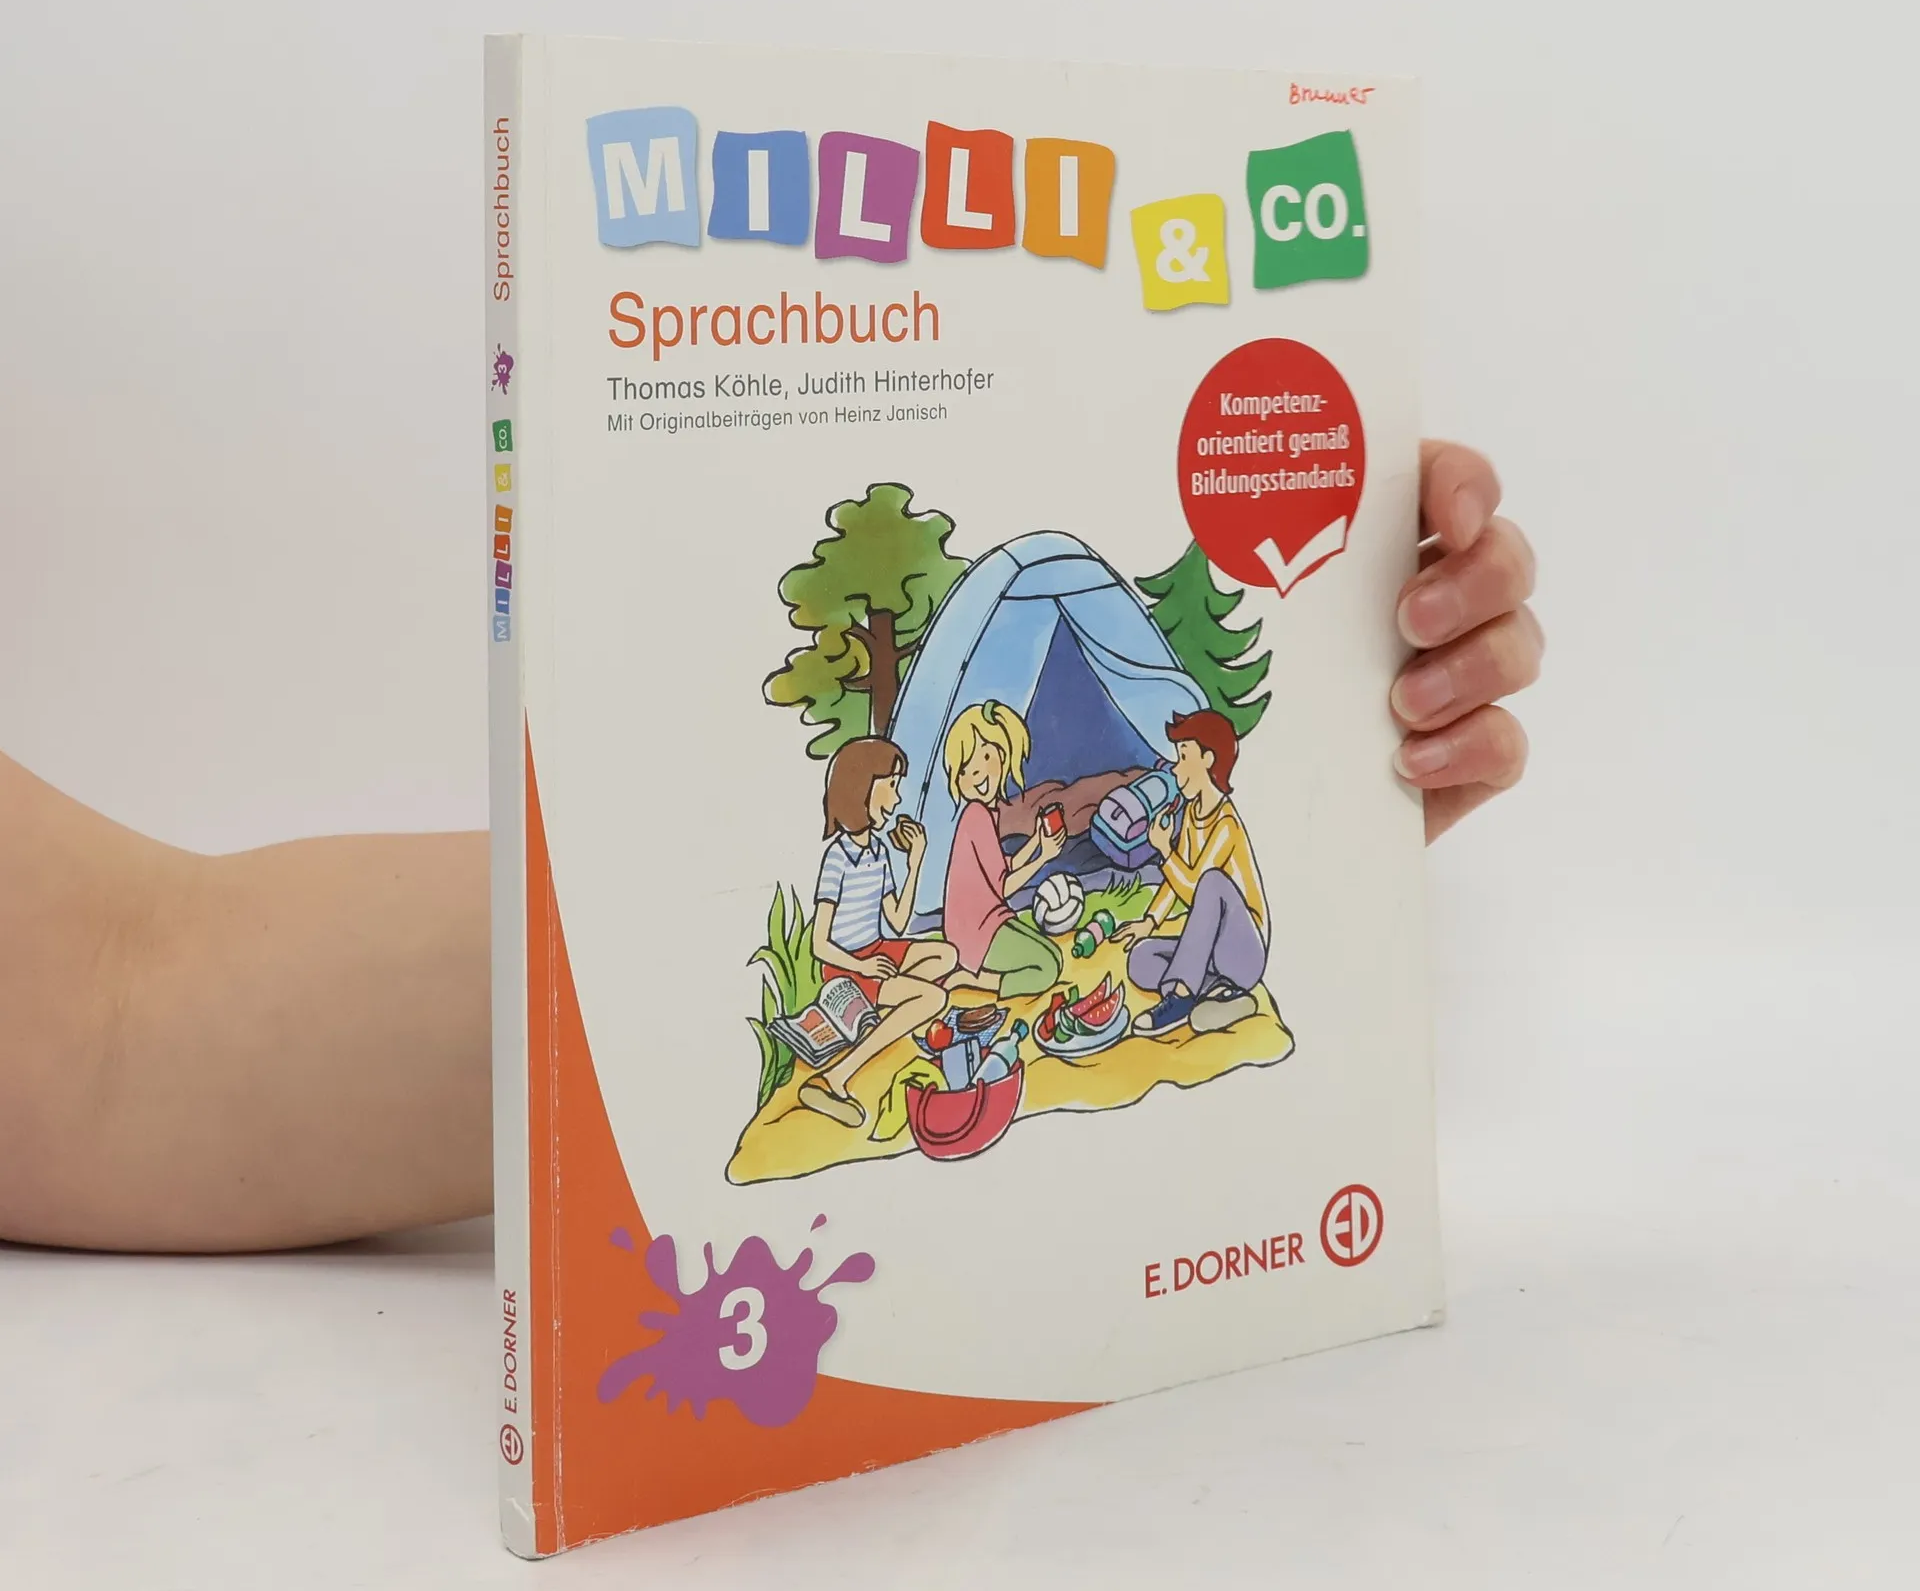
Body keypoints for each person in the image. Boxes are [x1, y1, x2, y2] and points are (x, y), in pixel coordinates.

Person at [0, 441, 1540, 1252]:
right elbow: (121, 1017)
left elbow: (123, 1017)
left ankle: (866, 1047)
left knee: (957, 980)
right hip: (979, 942)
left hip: (1002, 932)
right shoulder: (965, 838)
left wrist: (1318, 816)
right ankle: (874, 1050)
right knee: (953, 987)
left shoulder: (1015, 822)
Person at [802, 737, 958, 1130]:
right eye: (891, 784)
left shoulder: (879, 851)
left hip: (877, 949)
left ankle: (885, 1008)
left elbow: (899, 921)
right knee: (934, 997)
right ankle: (835, 1077)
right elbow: (819, 944)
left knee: (947, 955)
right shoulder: (837, 858)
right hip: (846, 967)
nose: (897, 796)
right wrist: (864, 967)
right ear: (862, 788)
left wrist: (916, 863)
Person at [1112, 711, 1268, 1035]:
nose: (1175, 768)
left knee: (1212, 882)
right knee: (1141, 959)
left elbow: (1197, 887)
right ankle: (1223, 996)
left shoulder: (1225, 823)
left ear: (1208, 759)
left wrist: (1164, 850)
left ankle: (1182, 999)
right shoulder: (1191, 814)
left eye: (1184, 757)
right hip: (1213, 954)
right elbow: (1176, 879)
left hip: (1244, 952)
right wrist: (1149, 921)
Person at [941, 701, 1068, 998]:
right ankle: (975, 979)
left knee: (1054, 955)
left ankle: (973, 972)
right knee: (1047, 968)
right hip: (975, 932)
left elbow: (1003, 866)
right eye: (966, 769)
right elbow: (1004, 887)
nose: (978, 774)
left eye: (986, 756)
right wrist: (1044, 858)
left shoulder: (987, 813)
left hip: (990, 920)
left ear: (1003, 754)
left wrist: (1036, 841)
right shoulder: (976, 816)